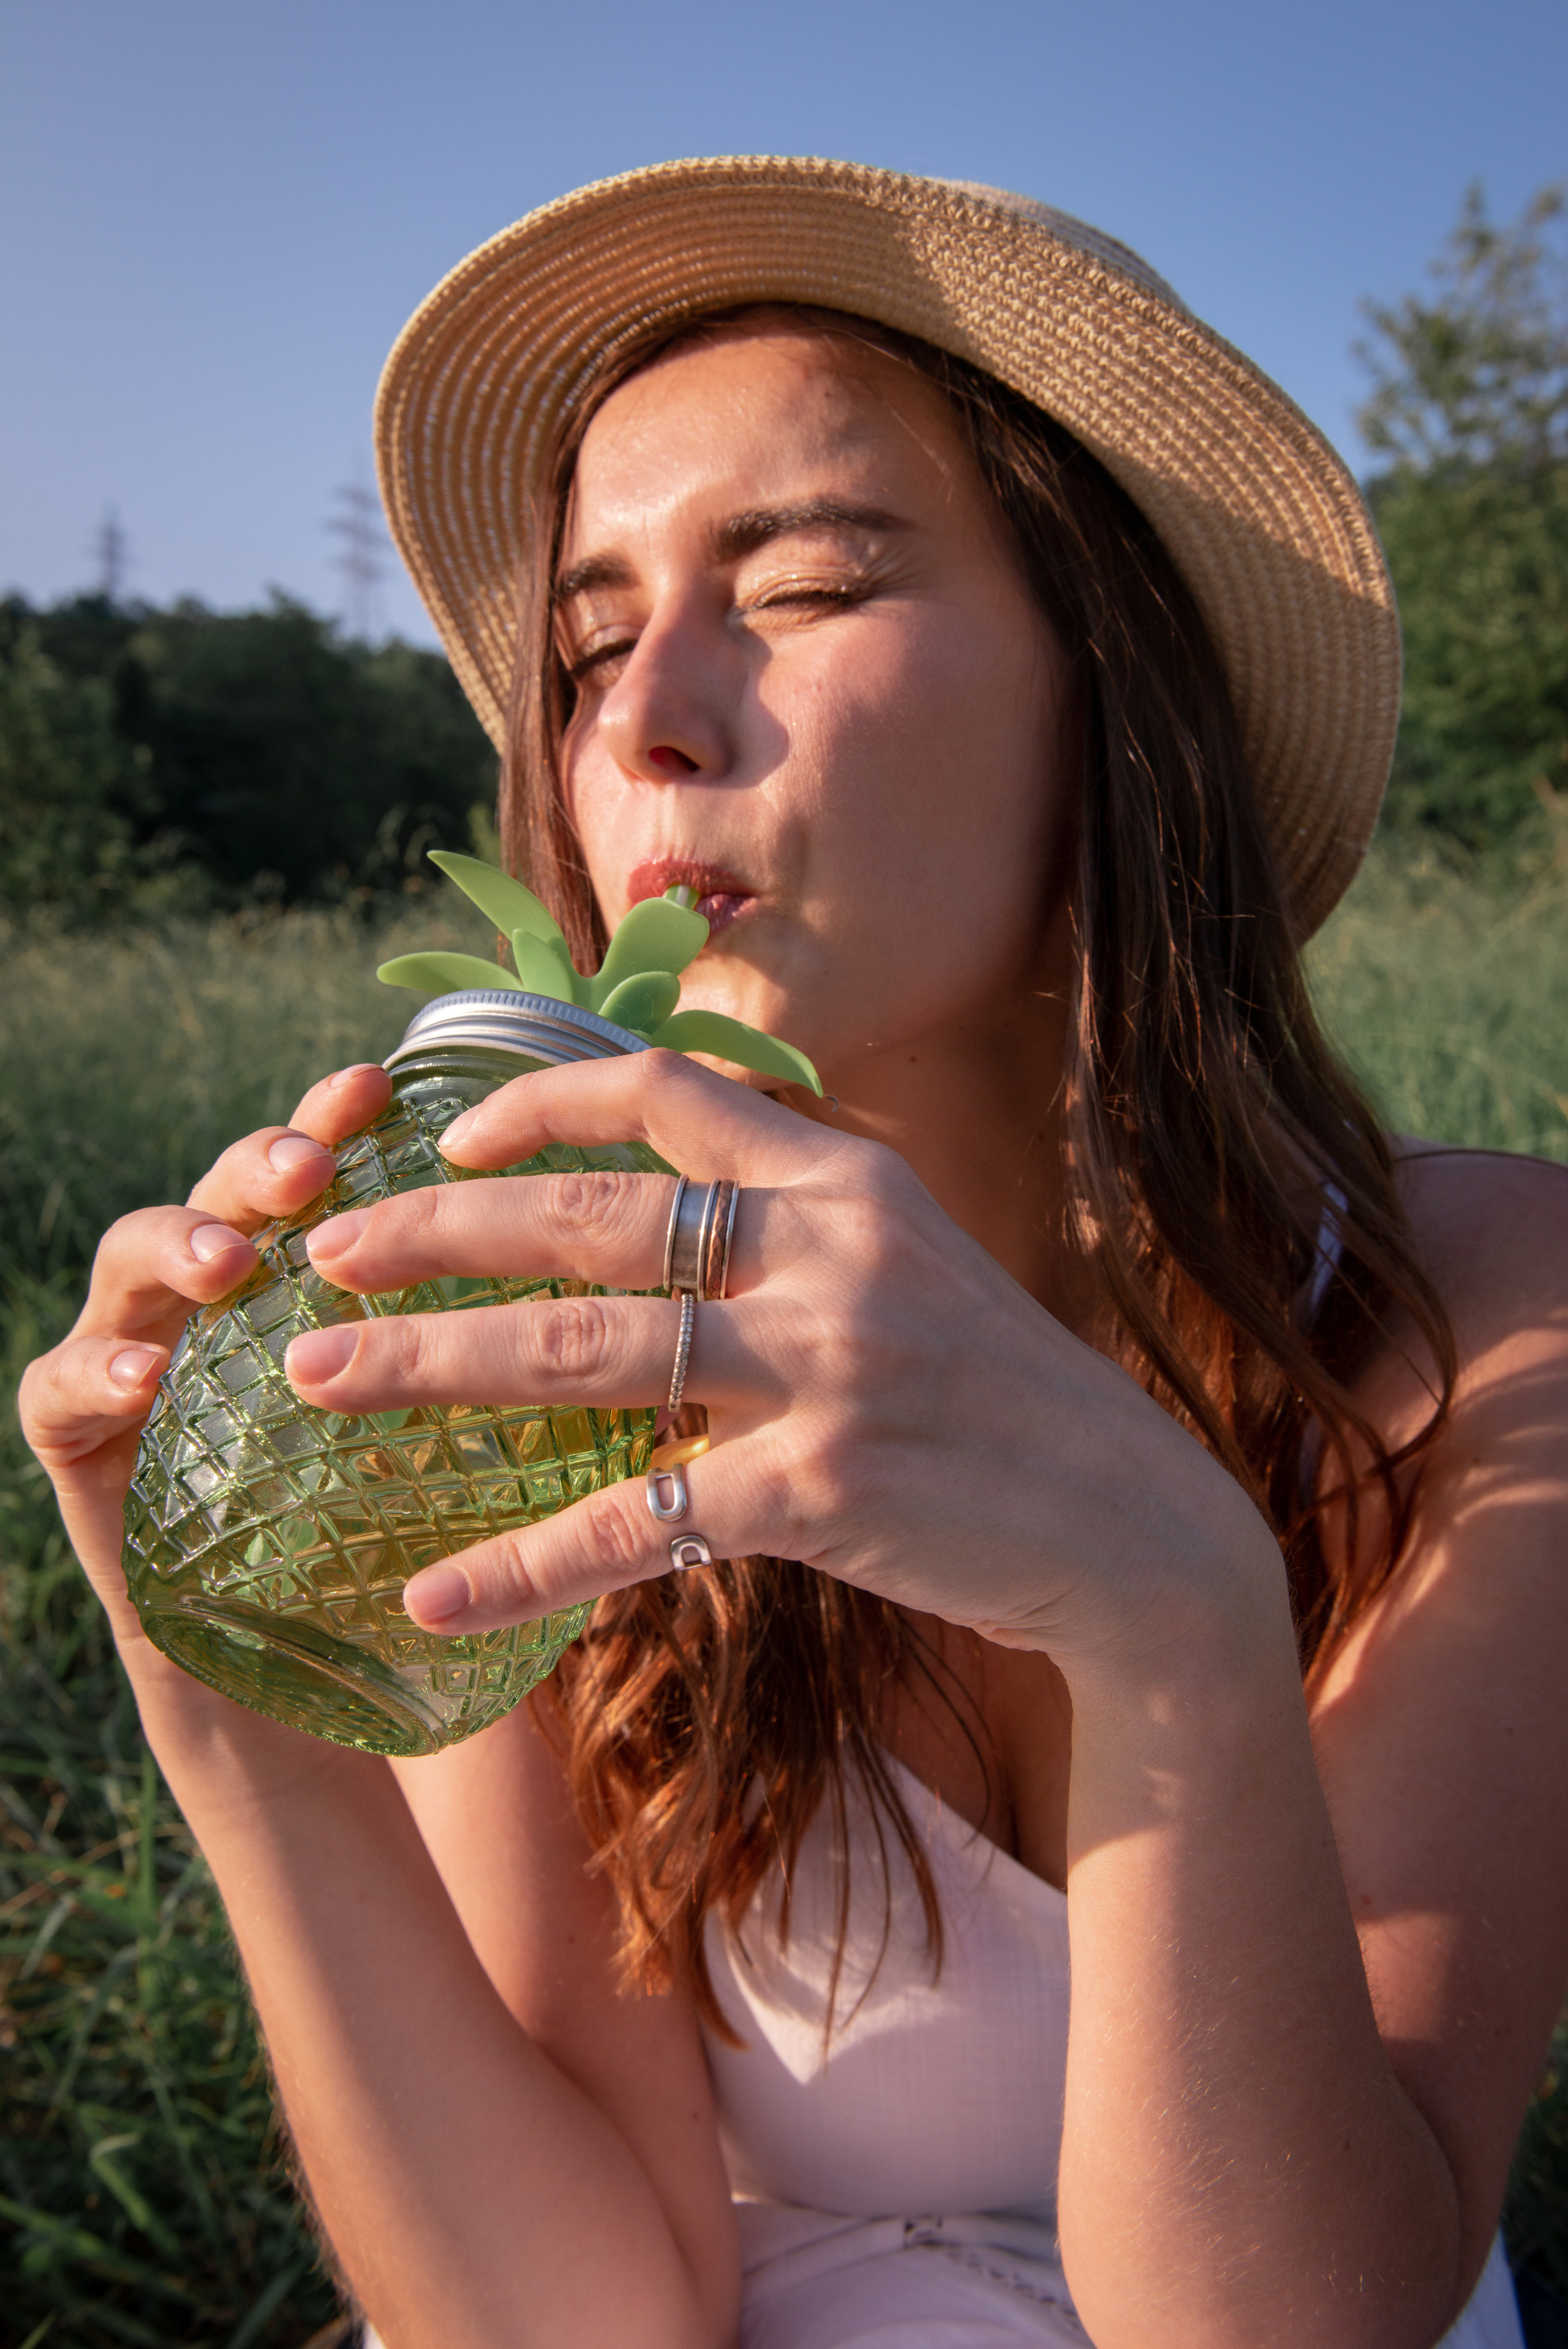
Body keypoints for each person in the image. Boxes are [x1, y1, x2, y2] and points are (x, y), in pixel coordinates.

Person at [21, 159, 1568, 2349]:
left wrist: (1176, 1618)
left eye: (815, 582)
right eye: (587, 642)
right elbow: (569, 2319)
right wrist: (232, 1708)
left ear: (1111, 694)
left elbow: (1296, 2318)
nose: (649, 714)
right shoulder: (528, 1348)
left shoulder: (1489, 1325)